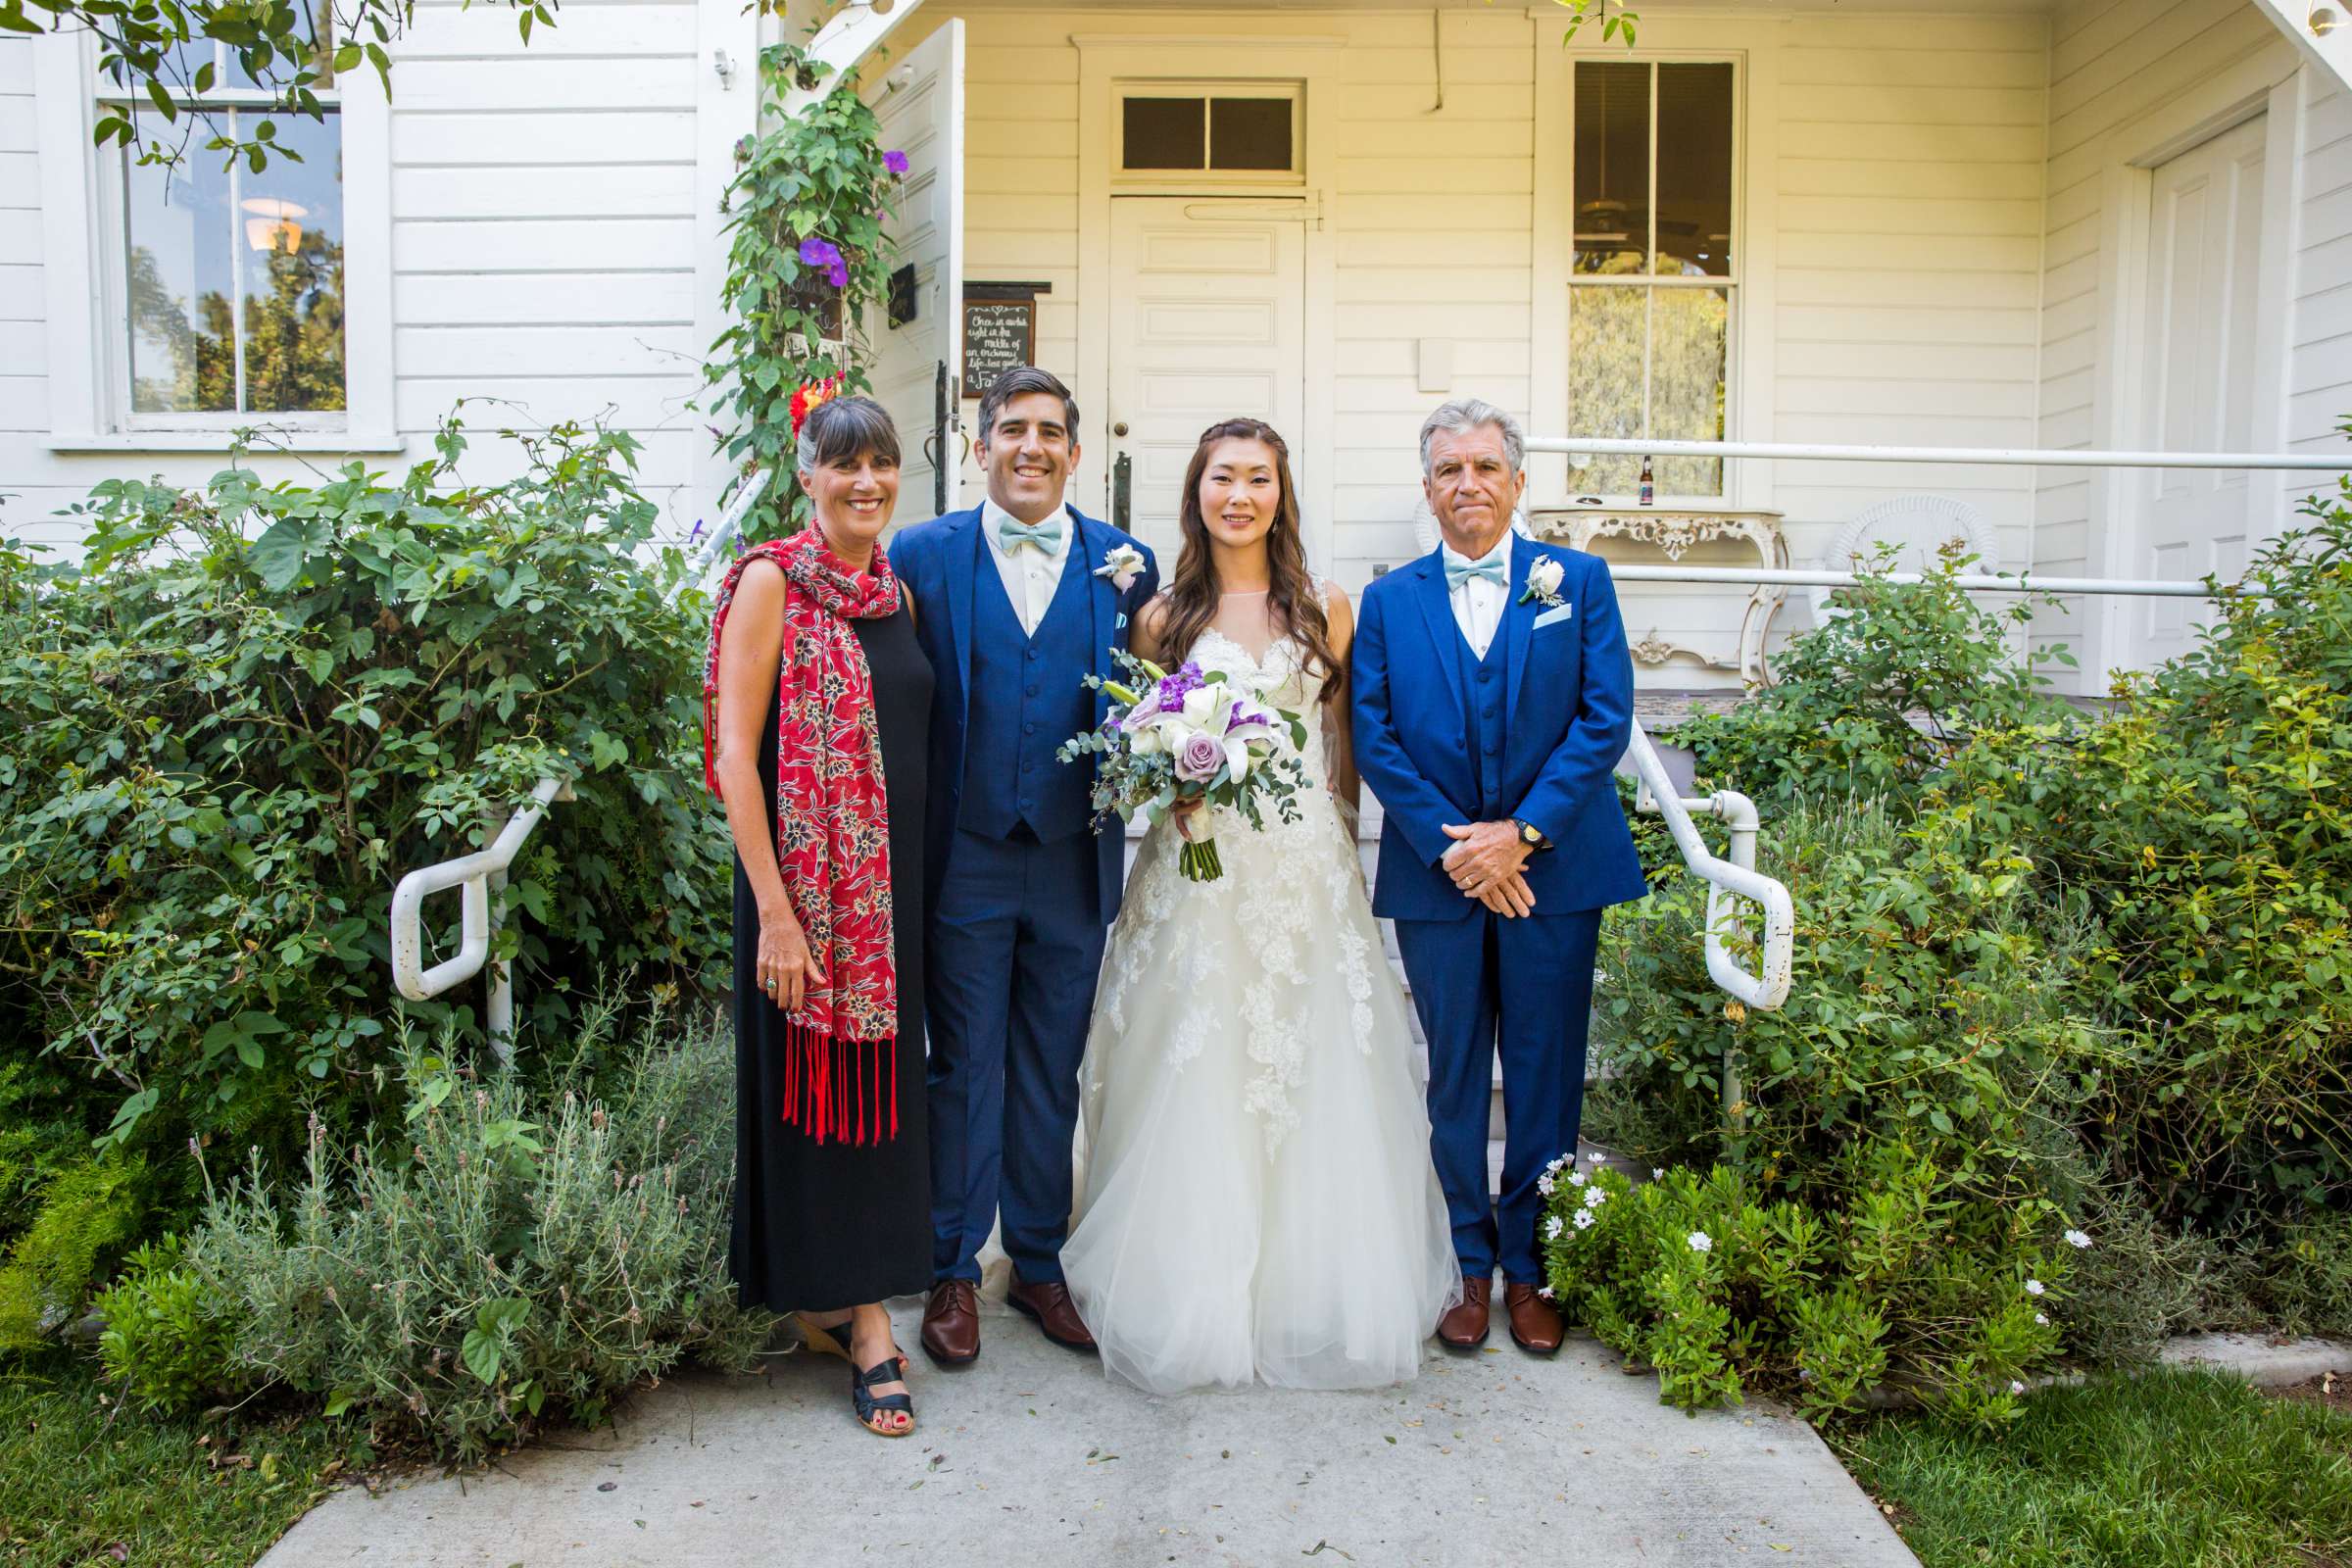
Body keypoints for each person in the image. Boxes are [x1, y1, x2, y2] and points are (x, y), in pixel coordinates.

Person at [1060, 417, 1459, 1393]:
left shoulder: (1329, 608)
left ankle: (1308, 1284)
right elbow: (1135, 739)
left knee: (1307, 1054)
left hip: (1298, 867)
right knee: (1194, 1055)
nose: (1239, 494)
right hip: (1193, 861)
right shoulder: (1160, 617)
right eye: (1221, 477)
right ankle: (1178, 1278)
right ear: (1196, 489)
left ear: (1283, 493)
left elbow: (1345, 742)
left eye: (1258, 479)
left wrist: (1349, 841)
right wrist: (1169, 788)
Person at [1350, 398, 1647, 1356]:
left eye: (1484, 467)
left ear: (1518, 482)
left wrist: (1519, 835)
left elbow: (1603, 719)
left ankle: (1532, 1267)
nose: (1467, 484)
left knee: (1545, 1076)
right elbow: (1376, 735)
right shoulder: (1391, 600)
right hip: (1439, 877)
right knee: (1451, 1079)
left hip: (1552, 874)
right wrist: (1461, 849)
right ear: (1426, 488)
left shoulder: (1579, 581)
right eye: (1448, 470)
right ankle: (1465, 1265)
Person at [887, 367, 1160, 1365]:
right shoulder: (920, 552)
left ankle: (1038, 1264)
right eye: (1011, 429)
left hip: (1072, 852)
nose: (1030, 446)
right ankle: (954, 1267)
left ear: (1075, 453)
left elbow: (1152, 697)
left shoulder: (1127, 563)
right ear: (979, 446)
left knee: (1050, 1064)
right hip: (963, 854)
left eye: (1049, 431)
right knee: (962, 1064)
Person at [708, 394, 934, 1438]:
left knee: (880, 1112)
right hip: (798, 905)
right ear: (807, 475)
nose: (865, 482)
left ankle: (849, 1304)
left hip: (886, 912)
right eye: (842, 465)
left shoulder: (894, 595)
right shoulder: (771, 584)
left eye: (881, 464)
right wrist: (779, 913)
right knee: (813, 1109)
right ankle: (865, 1327)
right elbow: (733, 758)